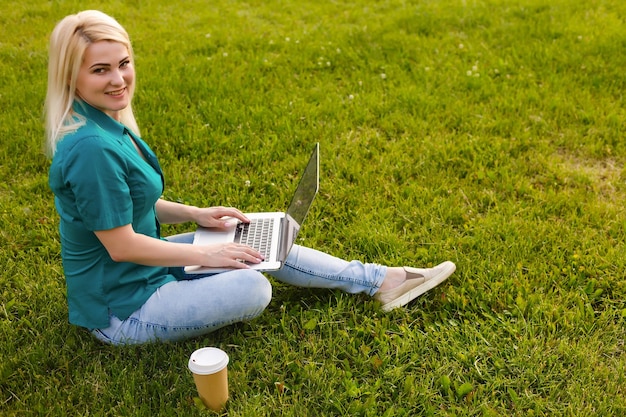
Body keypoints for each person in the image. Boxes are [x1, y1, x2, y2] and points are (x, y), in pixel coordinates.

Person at [45, 10, 456, 346]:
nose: (118, 80)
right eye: (101, 70)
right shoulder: (91, 149)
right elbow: (119, 245)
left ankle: (382, 280)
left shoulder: (104, 124)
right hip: (122, 308)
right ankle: (376, 281)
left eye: (124, 64)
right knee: (253, 288)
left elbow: (130, 204)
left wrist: (196, 214)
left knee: (257, 238)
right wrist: (206, 256)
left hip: (144, 271)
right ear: (70, 77)